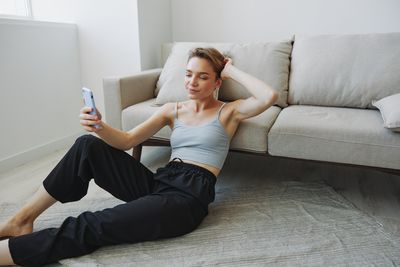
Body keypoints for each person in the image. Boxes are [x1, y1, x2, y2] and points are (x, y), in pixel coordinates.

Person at [0, 47, 278, 266]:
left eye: (203, 76)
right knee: (87, 144)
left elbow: (269, 95)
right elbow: (127, 140)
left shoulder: (229, 111)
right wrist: (99, 125)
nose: (192, 82)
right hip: (160, 181)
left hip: (186, 199)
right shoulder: (173, 109)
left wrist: (231, 69)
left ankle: (13, 253)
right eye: (189, 73)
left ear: (217, 81)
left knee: (95, 223)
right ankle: (21, 220)